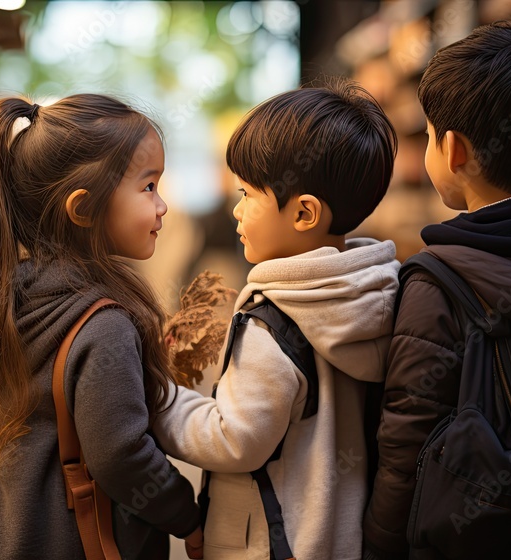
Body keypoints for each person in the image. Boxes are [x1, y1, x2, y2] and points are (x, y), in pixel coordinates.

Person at [363, 20, 511, 559]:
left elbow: (405, 445)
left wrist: (378, 546)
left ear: (454, 149)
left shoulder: (435, 280)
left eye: (425, 134)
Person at [0, 94, 203, 560]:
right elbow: (121, 456)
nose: (163, 206)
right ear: (82, 209)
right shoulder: (105, 326)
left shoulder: (4, 295)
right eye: (149, 187)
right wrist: (188, 515)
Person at [153, 79, 400, 559]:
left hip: (272, 542)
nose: (236, 209)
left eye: (247, 194)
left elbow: (235, 440)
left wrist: (162, 402)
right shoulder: (378, 292)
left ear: (304, 214)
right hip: (342, 538)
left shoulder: (272, 323)